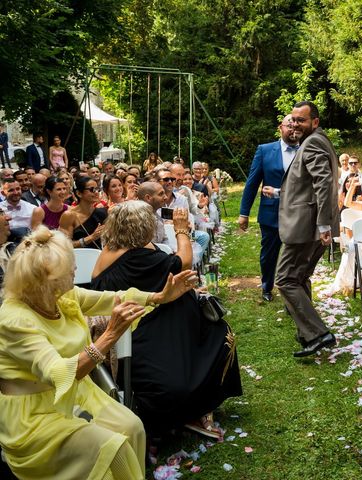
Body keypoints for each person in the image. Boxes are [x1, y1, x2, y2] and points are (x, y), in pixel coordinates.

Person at [0, 226, 197, 479]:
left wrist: (159, 297)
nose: (74, 270)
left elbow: (113, 298)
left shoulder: (61, 296)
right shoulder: (14, 320)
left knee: (133, 428)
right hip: (33, 416)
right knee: (112, 448)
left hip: (78, 395)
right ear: (43, 284)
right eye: (67, 268)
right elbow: (59, 374)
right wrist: (110, 336)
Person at [90, 201, 242, 439]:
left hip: (142, 315)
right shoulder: (137, 256)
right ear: (144, 227)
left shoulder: (112, 247)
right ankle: (193, 406)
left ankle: (197, 402)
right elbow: (183, 262)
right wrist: (181, 230)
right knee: (216, 333)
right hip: (134, 329)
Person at [275, 101, 339, 357]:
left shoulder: (312, 143)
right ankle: (308, 334)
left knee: (285, 279)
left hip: (306, 226)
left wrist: (322, 222)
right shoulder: (320, 141)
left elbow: (324, 182)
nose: (295, 124)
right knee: (299, 277)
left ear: (315, 121)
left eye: (301, 120)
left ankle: (318, 333)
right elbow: (309, 185)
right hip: (312, 222)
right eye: (293, 120)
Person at [238, 114, 297, 302]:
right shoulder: (264, 150)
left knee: (295, 254)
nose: (293, 129)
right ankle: (267, 286)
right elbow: (252, 183)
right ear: (280, 127)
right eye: (289, 125)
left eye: (296, 125)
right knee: (269, 254)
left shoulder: (305, 150)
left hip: (298, 213)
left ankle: (292, 289)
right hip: (272, 213)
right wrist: (244, 213)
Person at [59, 176, 107, 249]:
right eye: (92, 189)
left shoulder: (102, 212)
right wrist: (91, 237)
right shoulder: (69, 215)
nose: (96, 192)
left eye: (97, 189)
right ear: (79, 193)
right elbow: (65, 245)